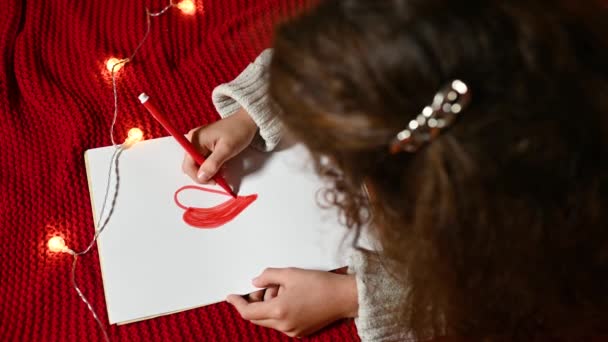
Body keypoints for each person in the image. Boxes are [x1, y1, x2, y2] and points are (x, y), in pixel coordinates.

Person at [183, 0, 608, 340]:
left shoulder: (555, 269)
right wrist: (252, 113)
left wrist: (354, 296)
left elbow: (488, 308)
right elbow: (359, 46)